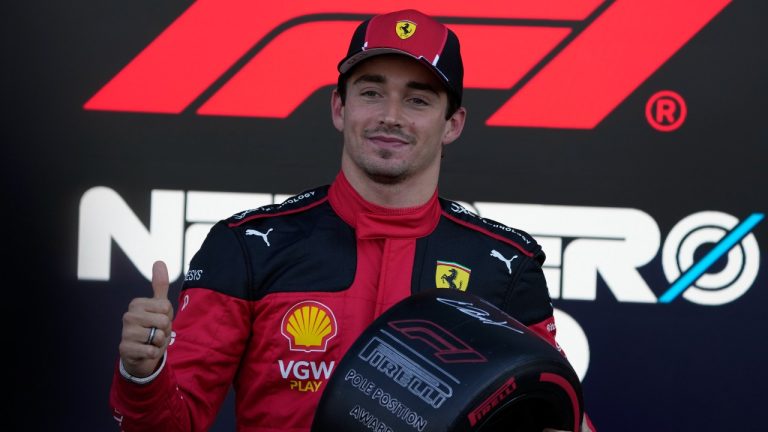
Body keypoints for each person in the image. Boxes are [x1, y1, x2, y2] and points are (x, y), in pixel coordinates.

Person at [111, 9, 594, 432]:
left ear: (453, 124)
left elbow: (554, 413)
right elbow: (170, 423)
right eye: (371, 93)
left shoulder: (504, 266)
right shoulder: (248, 246)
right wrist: (142, 373)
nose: (391, 115)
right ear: (340, 108)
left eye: (418, 99)